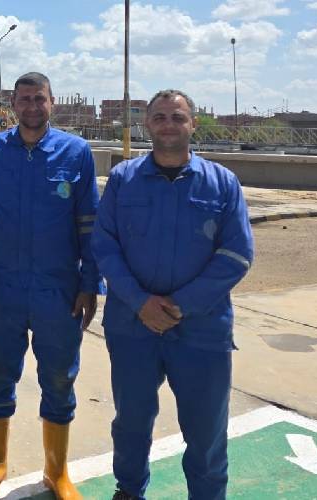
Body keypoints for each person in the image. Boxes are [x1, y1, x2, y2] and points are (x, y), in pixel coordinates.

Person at [92, 89, 254, 500]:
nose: (168, 124)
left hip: (201, 331)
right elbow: (104, 246)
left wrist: (180, 305)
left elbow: (237, 254)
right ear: (147, 124)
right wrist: (140, 302)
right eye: (160, 117)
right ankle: (129, 490)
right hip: (133, 327)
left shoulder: (222, 183)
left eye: (177, 117)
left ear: (192, 124)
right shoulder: (124, 180)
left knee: (206, 429)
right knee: (131, 422)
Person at [0, 72, 103, 500]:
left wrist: (90, 283)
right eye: (24, 99)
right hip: (1, 287)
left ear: (52, 102)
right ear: (13, 104)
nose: (32, 106)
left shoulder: (76, 152)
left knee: (59, 378)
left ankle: (56, 471)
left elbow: (89, 223)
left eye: (39, 99)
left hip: (58, 290)